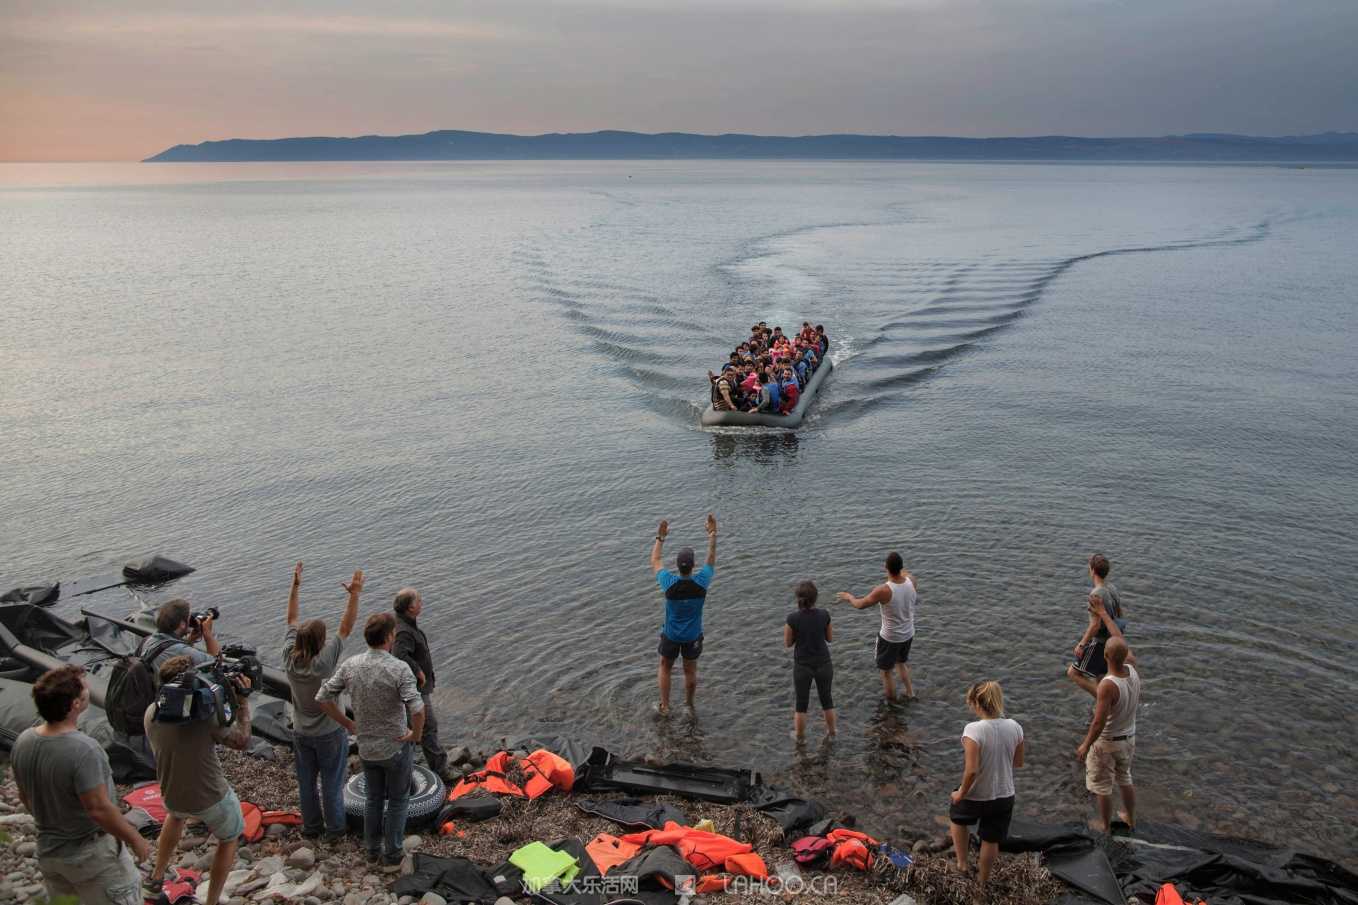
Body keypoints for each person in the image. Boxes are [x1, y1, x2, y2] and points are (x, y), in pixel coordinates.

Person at [11, 665, 152, 905]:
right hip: (91, 857)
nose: (89, 689)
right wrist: (136, 840)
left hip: (50, 852)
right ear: (76, 704)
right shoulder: (84, 748)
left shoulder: (24, 741)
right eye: (85, 688)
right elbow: (98, 809)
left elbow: (25, 796)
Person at [143, 656, 254, 905]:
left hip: (171, 790)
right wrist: (242, 701)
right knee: (229, 837)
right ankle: (212, 901)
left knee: (176, 815)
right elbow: (242, 741)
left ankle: (155, 879)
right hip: (211, 795)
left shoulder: (151, 713)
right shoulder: (205, 717)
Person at [316, 613, 424, 866]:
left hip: (366, 747)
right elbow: (418, 709)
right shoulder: (399, 668)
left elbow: (322, 697)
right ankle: (393, 854)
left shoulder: (351, 665)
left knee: (374, 799)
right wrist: (415, 735)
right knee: (398, 800)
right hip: (395, 746)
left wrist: (348, 724)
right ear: (389, 637)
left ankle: (372, 850)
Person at [283, 561, 362, 840]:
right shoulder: (324, 664)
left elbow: (291, 619)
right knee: (331, 781)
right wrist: (354, 594)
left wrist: (295, 586)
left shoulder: (289, 659)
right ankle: (336, 829)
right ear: (320, 643)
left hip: (301, 731)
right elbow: (346, 626)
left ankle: (313, 827)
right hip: (329, 731)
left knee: (306, 782)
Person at [948, 680, 1024, 890]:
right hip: (1004, 794)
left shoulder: (973, 730)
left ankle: (962, 864)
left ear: (976, 703)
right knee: (991, 838)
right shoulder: (1015, 727)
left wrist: (960, 793)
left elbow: (972, 770)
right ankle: (983, 881)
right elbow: (1017, 763)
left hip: (977, 794)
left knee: (957, 817)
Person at [1071, 637, 1140, 833]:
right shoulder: (1133, 671)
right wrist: (1105, 614)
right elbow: (1124, 646)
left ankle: (1105, 825)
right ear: (1125, 656)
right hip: (1128, 739)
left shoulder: (1107, 685)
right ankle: (1130, 818)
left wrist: (1085, 744)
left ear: (1105, 656)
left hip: (1107, 742)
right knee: (1125, 778)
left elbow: (1098, 723)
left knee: (1102, 786)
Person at [650, 514, 717, 714]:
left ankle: (665, 705)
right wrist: (712, 534)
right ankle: (689, 705)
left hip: (671, 635)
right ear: (693, 566)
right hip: (692, 636)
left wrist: (660, 538)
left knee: (665, 667)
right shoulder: (702, 582)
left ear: (677, 566)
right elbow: (711, 558)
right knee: (690, 670)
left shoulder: (669, 584)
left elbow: (655, 560)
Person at [835, 552, 919, 701]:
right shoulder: (912, 581)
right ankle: (910, 693)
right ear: (901, 568)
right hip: (908, 634)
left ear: (885, 568)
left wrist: (849, 597)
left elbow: (860, 605)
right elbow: (905, 575)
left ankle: (892, 704)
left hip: (890, 638)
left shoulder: (883, 590)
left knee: (886, 672)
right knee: (901, 663)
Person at [392, 586, 454, 782]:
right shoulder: (403, 631)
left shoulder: (406, 624)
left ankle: (410, 764)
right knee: (428, 726)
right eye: (418, 600)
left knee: (414, 727)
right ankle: (441, 771)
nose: (421, 603)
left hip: (414, 688)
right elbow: (400, 655)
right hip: (414, 690)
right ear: (410, 608)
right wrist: (418, 670)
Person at [784, 581, 836, 741]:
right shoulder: (825, 614)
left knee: (801, 704)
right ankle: (832, 732)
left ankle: (799, 737)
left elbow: (788, 643)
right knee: (827, 700)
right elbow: (829, 638)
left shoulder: (792, 618)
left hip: (802, 666)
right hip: (824, 663)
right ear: (815, 598)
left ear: (798, 598)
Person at [1071, 553, 1125, 679]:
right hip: (1114, 640)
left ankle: (1103, 698)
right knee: (1100, 677)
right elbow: (1120, 612)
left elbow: (1095, 625)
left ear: (1093, 570)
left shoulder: (1095, 595)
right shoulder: (1112, 588)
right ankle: (1103, 697)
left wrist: (1081, 645)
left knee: (1073, 673)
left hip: (1101, 643)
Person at [142, 598, 220, 673]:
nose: (191, 621)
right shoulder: (179, 650)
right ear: (182, 624)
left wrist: (190, 641)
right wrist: (208, 635)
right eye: (189, 618)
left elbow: (175, 652)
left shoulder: (148, 640)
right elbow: (215, 666)